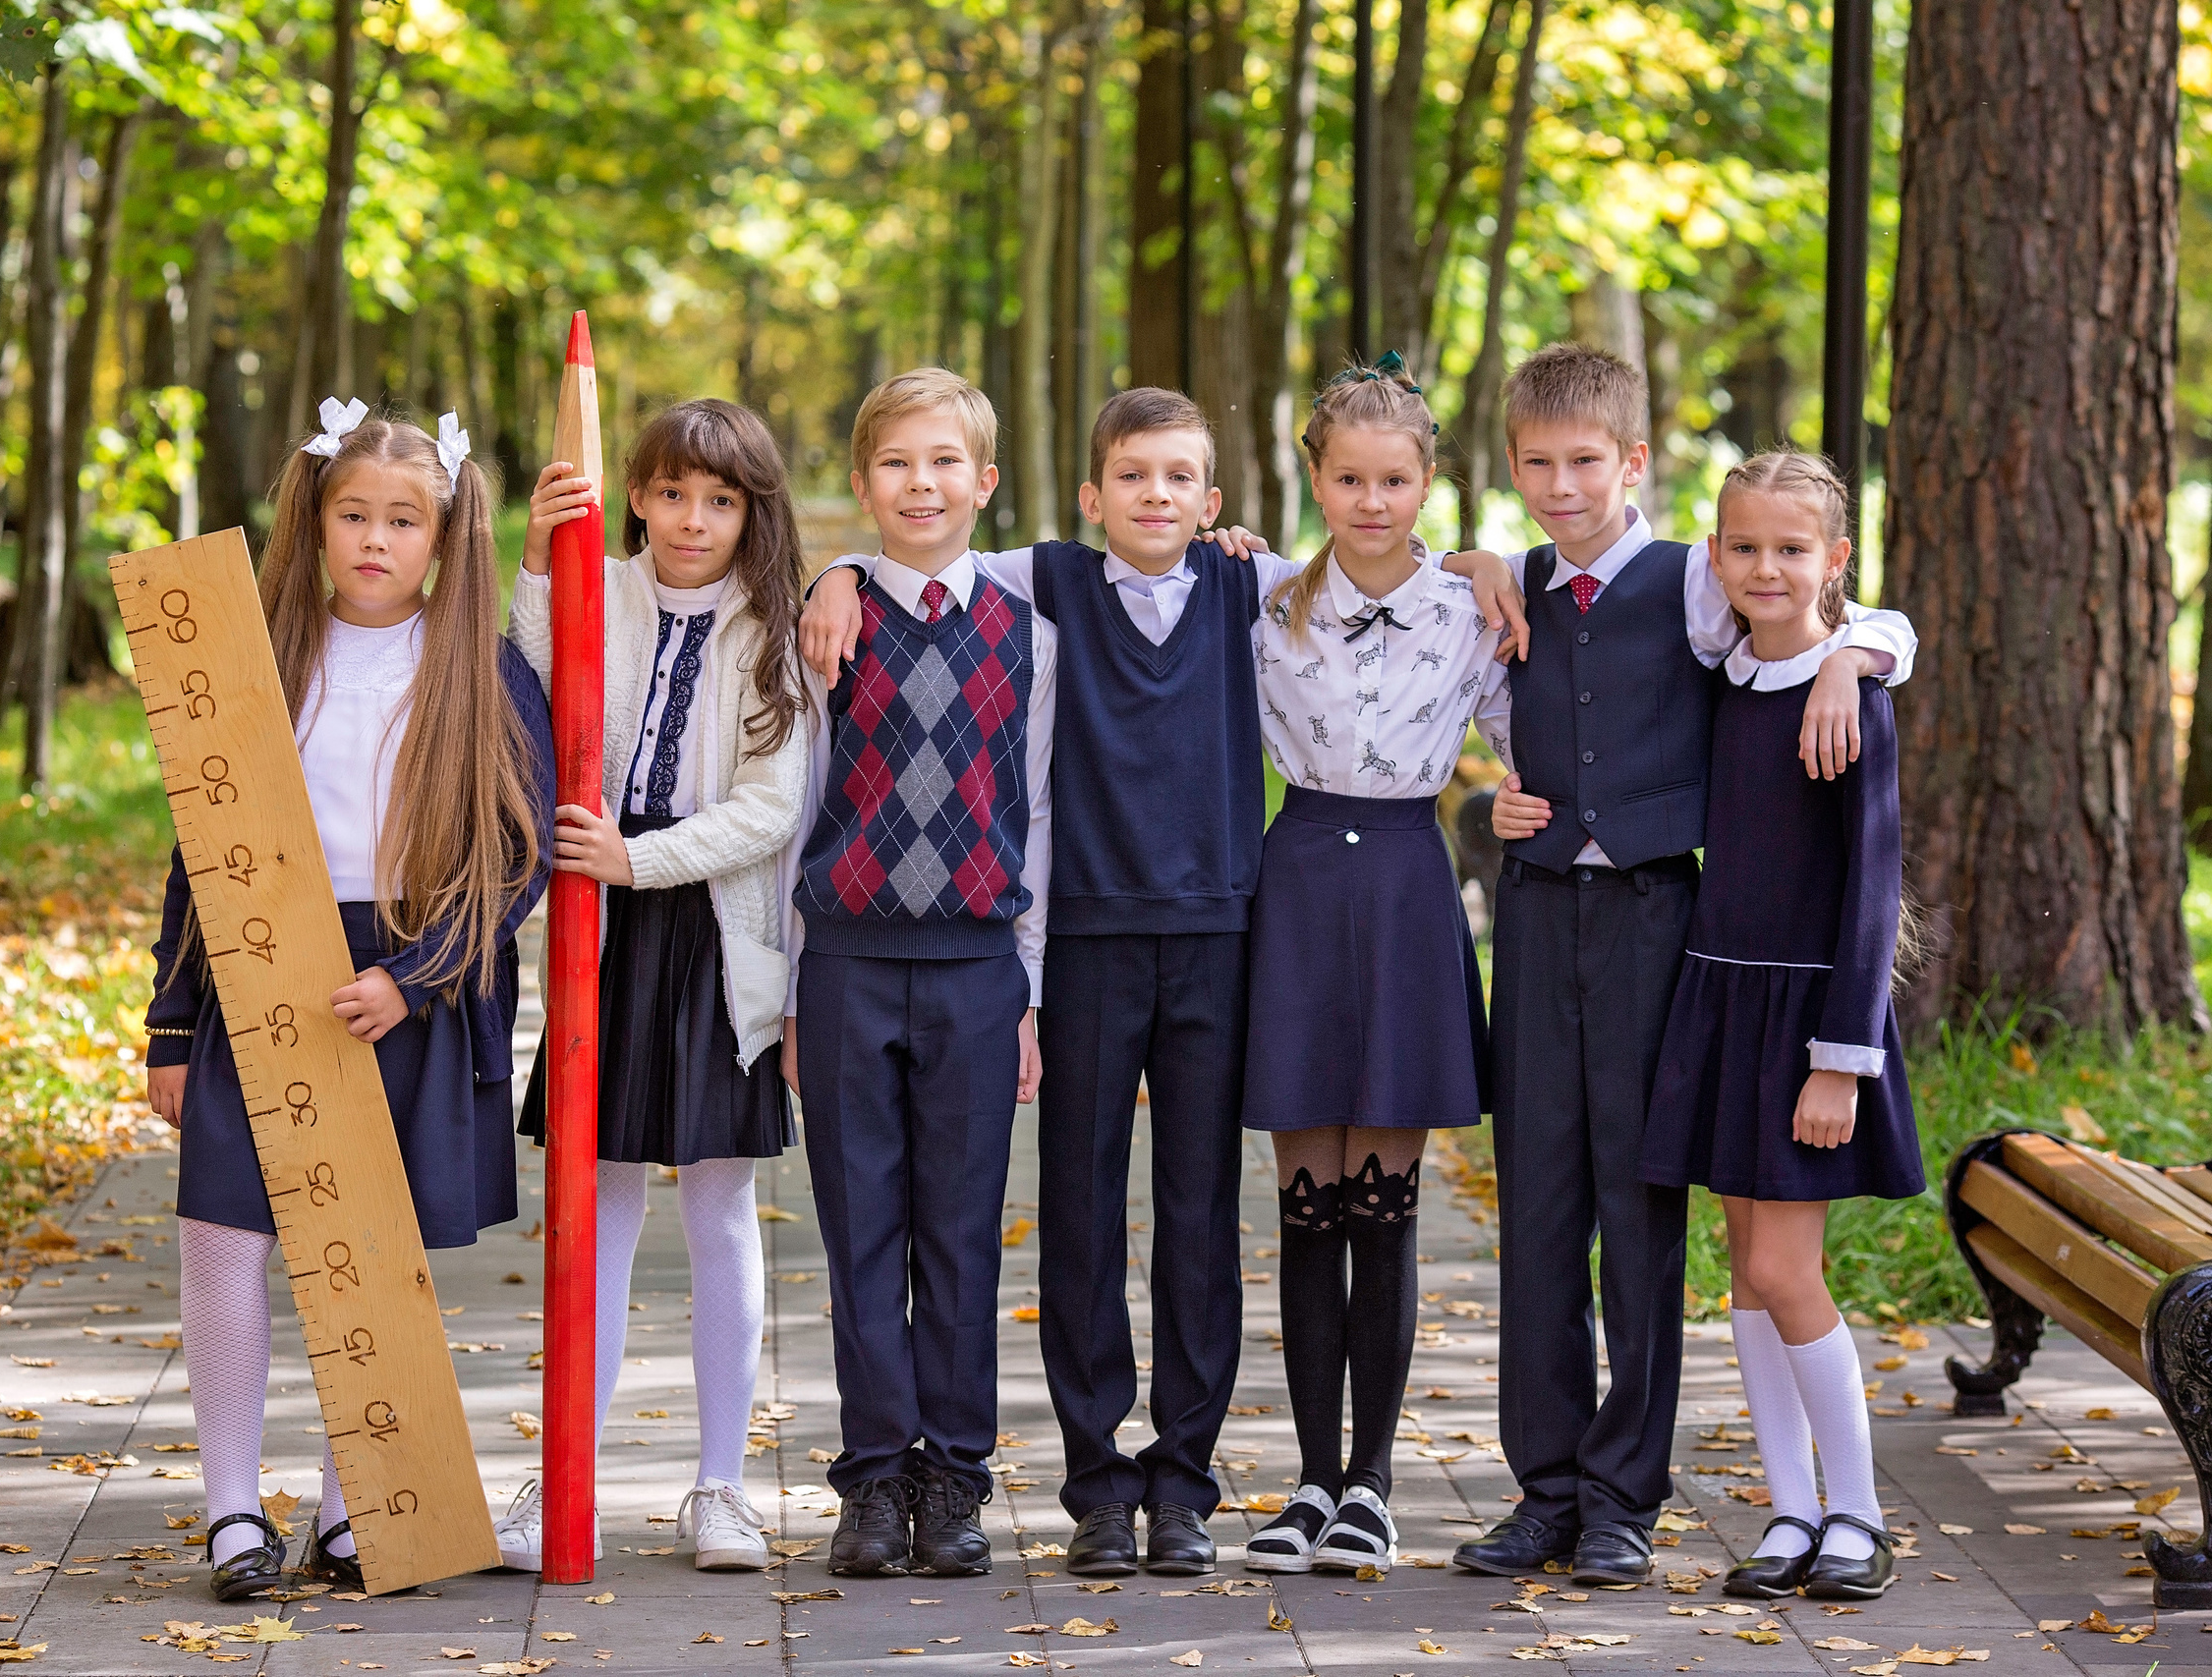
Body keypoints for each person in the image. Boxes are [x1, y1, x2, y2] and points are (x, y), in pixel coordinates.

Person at [796, 385, 1525, 1579]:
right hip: (1083, 939)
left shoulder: (1252, 588)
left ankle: (1183, 1478)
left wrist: (1480, 556)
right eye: (1131, 478)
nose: (1154, 497)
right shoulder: (1051, 583)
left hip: (1218, 939)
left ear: (1214, 501)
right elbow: (924, 550)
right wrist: (831, 573)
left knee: (1197, 1215)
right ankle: (1096, 1482)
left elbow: (1375, 551)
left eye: (1178, 479)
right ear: (1090, 499)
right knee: (1080, 1217)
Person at [1461, 344, 1917, 1589]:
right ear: (1512, 469)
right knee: (1538, 1211)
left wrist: (1855, 653)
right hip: (1539, 916)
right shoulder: (1506, 596)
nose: (1563, 486)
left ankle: (1621, 1494)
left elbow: (1824, 604)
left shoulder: (1696, 583)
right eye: (1538, 466)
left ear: (1635, 465)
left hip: (1666, 922)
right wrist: (1486, 814)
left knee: (1637, 1213)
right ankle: (1542, 1489)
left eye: (1586, 462)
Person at [143, 401, 554, 1599]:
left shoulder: (478, 671)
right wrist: (172, 1024)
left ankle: (346, 1507)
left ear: (444, 535)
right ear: (316, 520)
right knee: (225, 1231)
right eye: (355, 515)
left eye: (404, 521)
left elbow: (515, 857)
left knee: (368, 1251)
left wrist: (414, 979)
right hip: (261, 958)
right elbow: (198, 847)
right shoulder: (260, 655)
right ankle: (230, 1512)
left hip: (409, 971)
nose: (376, 540)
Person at [496, 399, 815, 1573]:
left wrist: (644, 857)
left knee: (721, 1205)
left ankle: (722, 1484)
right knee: (595, 1206)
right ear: (636, 494)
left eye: (720, 500)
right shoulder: (606, 589)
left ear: (750, 511)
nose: (693, 519)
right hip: (600, 923)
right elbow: (533, 697)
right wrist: (536, 563)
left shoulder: (773, 625)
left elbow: (770, 806)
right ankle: (561, 1472)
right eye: (673, 492)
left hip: (711, 926)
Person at [1228, 362, 1509, 1575]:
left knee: (1385, 1203)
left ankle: (1374, 1484)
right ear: (1314, 478)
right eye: (1349, 477)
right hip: (1298, 882)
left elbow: (1542, 725)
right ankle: (1307, 1479)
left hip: (1404, 881)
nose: (1372, 500)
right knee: (1307, 1201)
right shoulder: (1261, 603)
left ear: (1428, 481)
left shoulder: (1474, 608)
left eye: (1394, 479)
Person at [780, 367, 1052, 1579]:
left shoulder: (1028, 633)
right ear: (860, 484)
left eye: (945, 462)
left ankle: (955, 1476)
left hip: (977, 970)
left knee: (959, 1235)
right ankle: (872, 1479)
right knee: (861, 1237)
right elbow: (794, 812)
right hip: (844, 963)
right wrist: (787, 992)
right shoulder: (826, 628)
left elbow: (1035, 815)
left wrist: (1031, 992)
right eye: (896, 464)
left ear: (984, 481)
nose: (922, 484)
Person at [1640, 452, 1920, 1602]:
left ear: (1835, 561)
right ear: (1716, 556)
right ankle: (1789, 1514)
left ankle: (1857, 1513)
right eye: (1745, 547)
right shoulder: (1724, 677)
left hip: (1809, 1014)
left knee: (1780, 1267)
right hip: (1720, 997)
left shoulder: (1853, 694)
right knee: (1744, 1277)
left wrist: (1841, 1060)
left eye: (1792, 550)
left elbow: (1871, 885)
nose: (1767, 568)